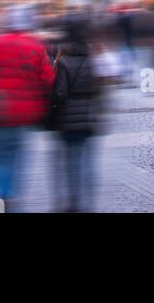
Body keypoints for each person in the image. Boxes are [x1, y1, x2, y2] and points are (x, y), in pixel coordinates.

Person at [0, 5, 54, 212]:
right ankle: (12, 199)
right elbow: (48, 80)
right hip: (25, 115)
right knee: (19, 159)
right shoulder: (36, 47)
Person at [49, 17, 106, 212]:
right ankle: (87, 202)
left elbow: (60, 93)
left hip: (68, 119)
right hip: (89, 117)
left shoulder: (63, 61)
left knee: (71, 162)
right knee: (88, 162)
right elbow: (101, 89)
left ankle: (73, 203)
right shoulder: (94, 58)